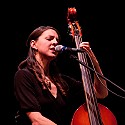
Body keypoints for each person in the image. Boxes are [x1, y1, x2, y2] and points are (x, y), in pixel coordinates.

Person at [14, 25, 108, 125]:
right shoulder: (24, 75)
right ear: (34, 44)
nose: (55, 42)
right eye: (49, 39)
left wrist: (94, 61)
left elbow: (101, 93)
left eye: (56, 40)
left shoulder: (61, 81)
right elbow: (36, 120)